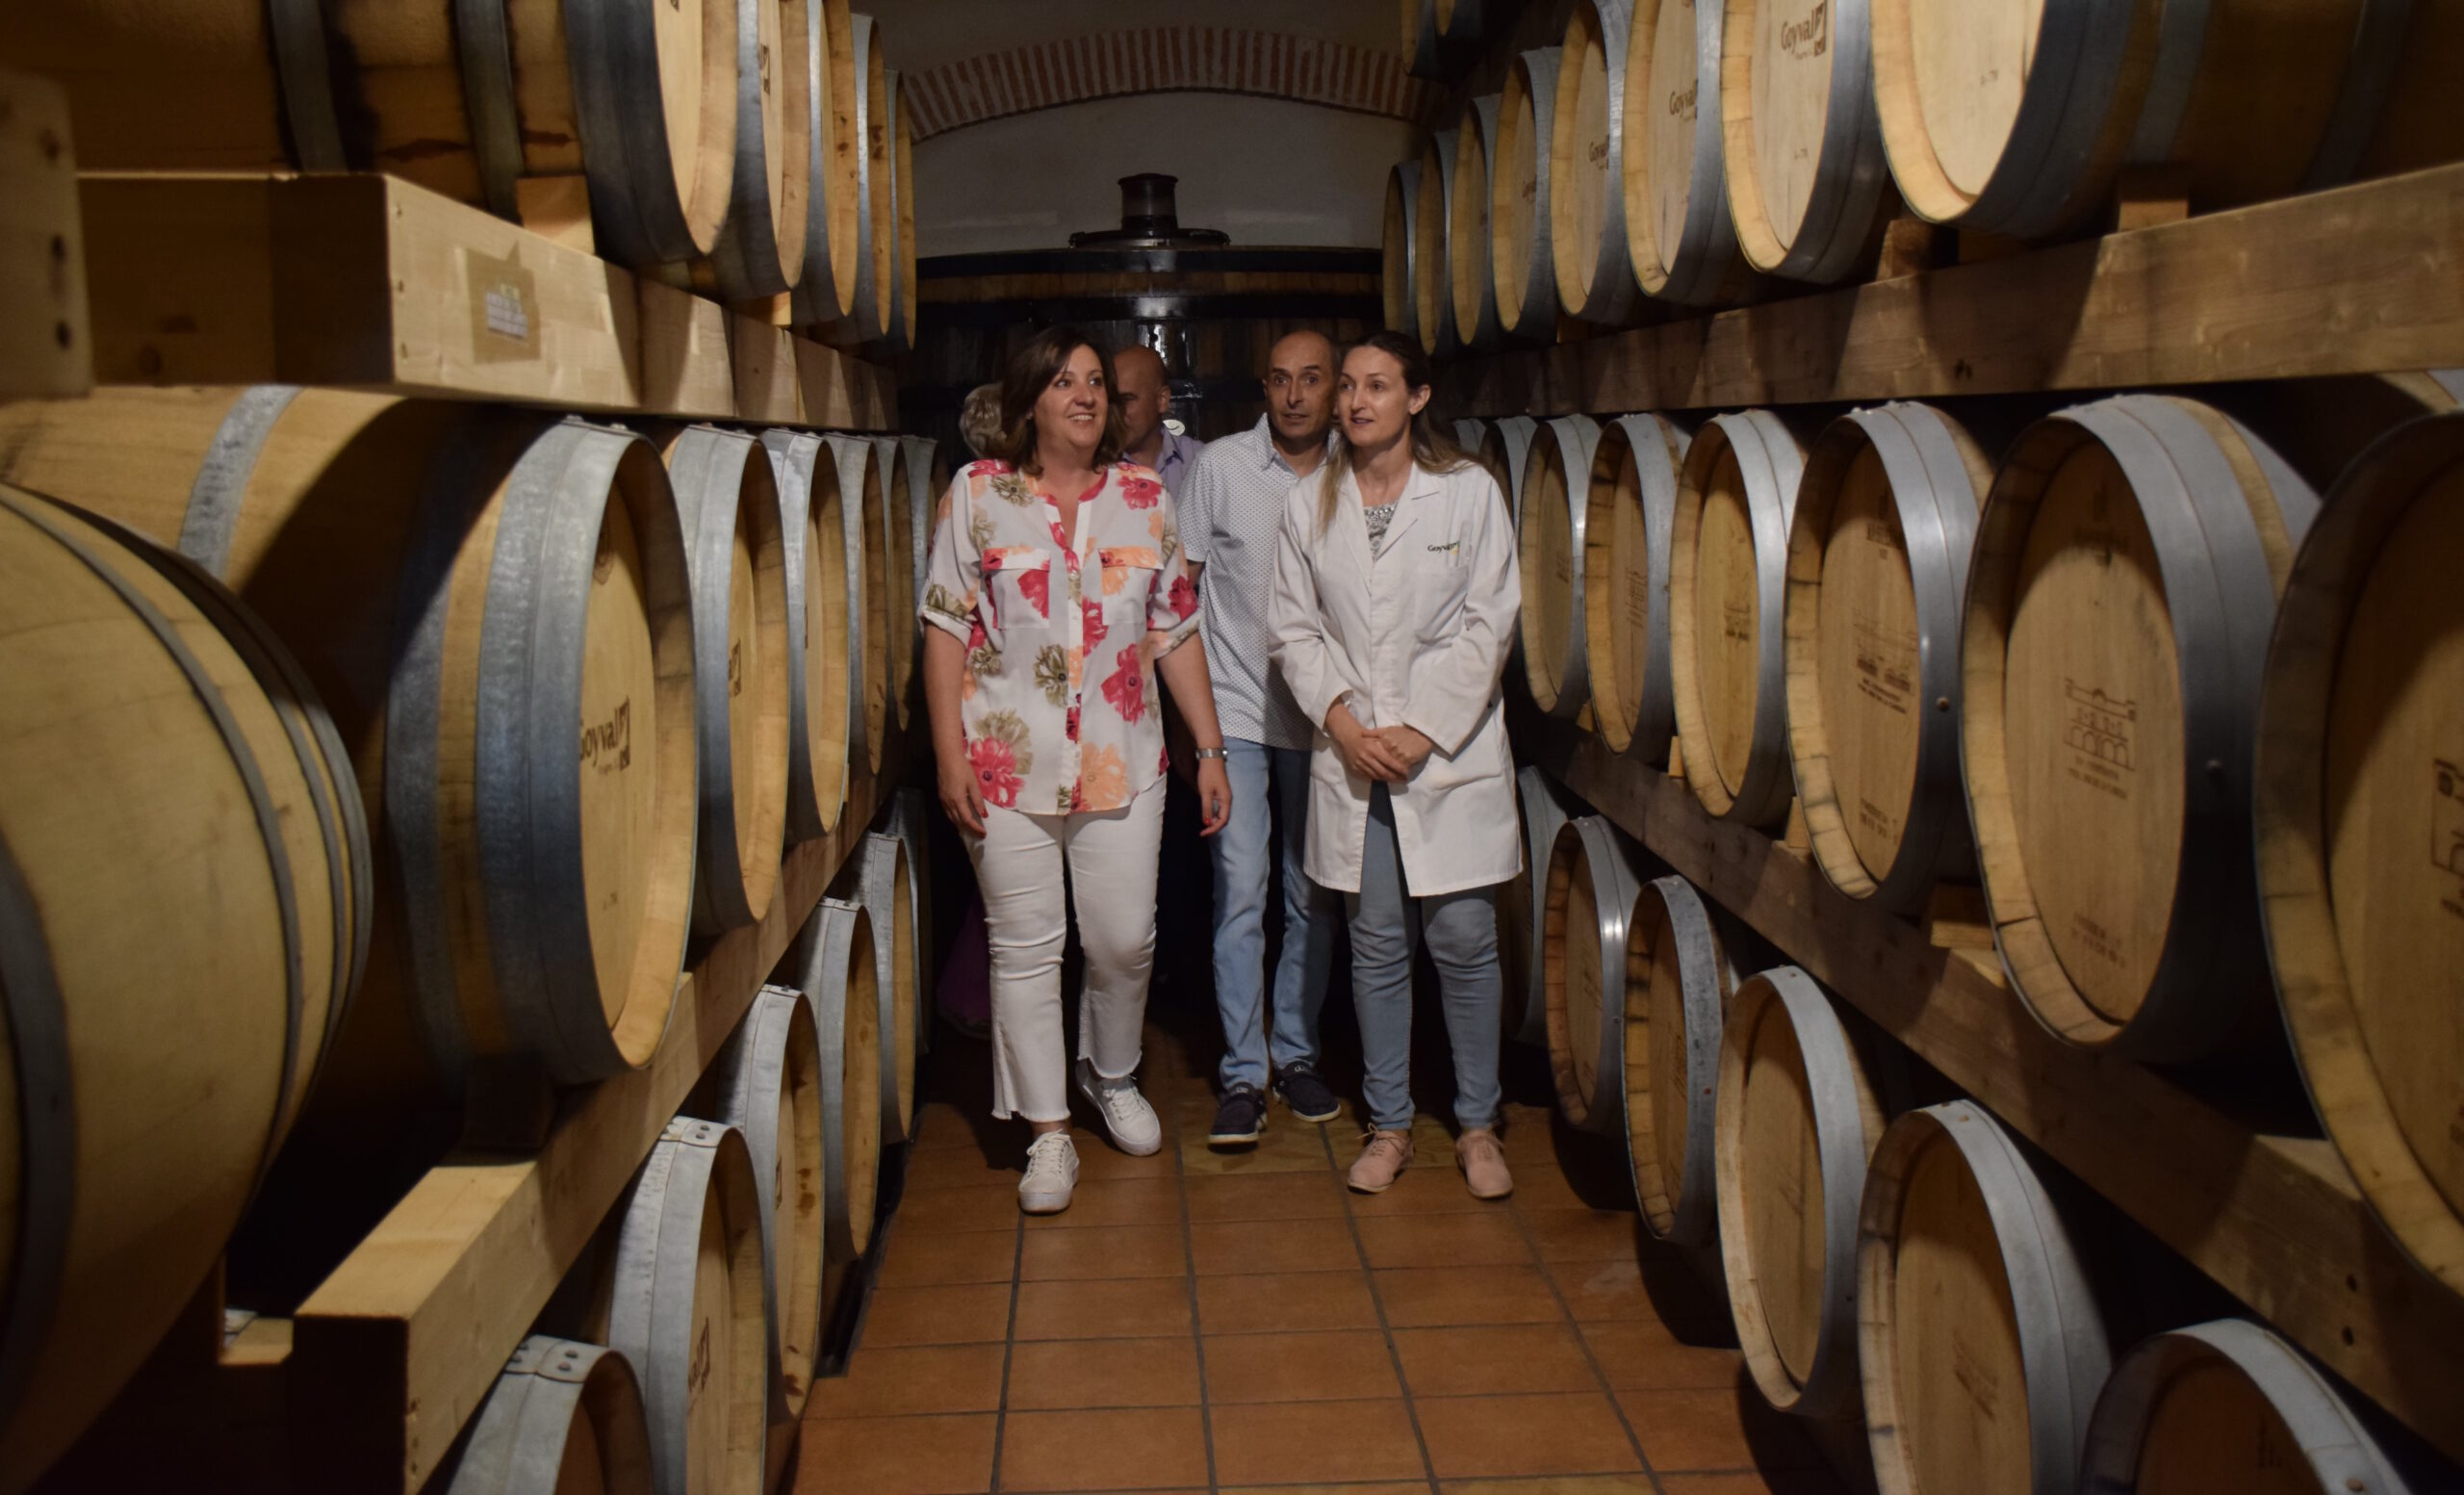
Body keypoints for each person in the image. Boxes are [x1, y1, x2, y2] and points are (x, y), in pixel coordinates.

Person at [920, 327, 1235, 1215]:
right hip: (1005, 763)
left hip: (1123, 758)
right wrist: (949, 754)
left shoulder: (1144, 498)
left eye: (1097, 381)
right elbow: (944, 626)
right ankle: (1049, 1130)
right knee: (1025, 950)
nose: (1087, 395)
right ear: (1030, 401)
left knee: (1123, 938)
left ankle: (1111, 1072)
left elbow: (1173, 629)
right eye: (1065, 381)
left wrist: (1208, 747)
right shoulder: (978, 494)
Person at [1268, 330, 1522, 1199]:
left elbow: (1490, 623)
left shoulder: (1467, 495)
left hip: (1444, 756)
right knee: (1375, 945)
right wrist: (1342, 722)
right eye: (1348, 386)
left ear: (1417, 398)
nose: (1354, 401)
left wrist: (1419, 727)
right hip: (1355, 757)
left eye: (1377, 386)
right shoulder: (1310, 505)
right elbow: (1292, 630)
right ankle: (1389, 1123)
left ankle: (1480, 1124)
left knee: (1463, 940)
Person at [1176, 331, 1346, 1145]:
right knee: (1240, 892)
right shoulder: (1220, 469)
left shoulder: (1361, 469)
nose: (1294, 395)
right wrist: (1194, 730)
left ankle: (1298, 1051)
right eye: (1280, 378)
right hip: (1239, 712)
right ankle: (1245, 1073)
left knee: (1311, 893)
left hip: (1325, 721)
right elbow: (1182, 595)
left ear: (1335, 385)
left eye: (1311, 379)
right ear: (1264, 385)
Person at [1113, 344, 1204, 493]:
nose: (1115, 412)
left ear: (1162, 399)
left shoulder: (1200, 461)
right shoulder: (1093, 470)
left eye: (1125, 400)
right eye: (1111, 401)